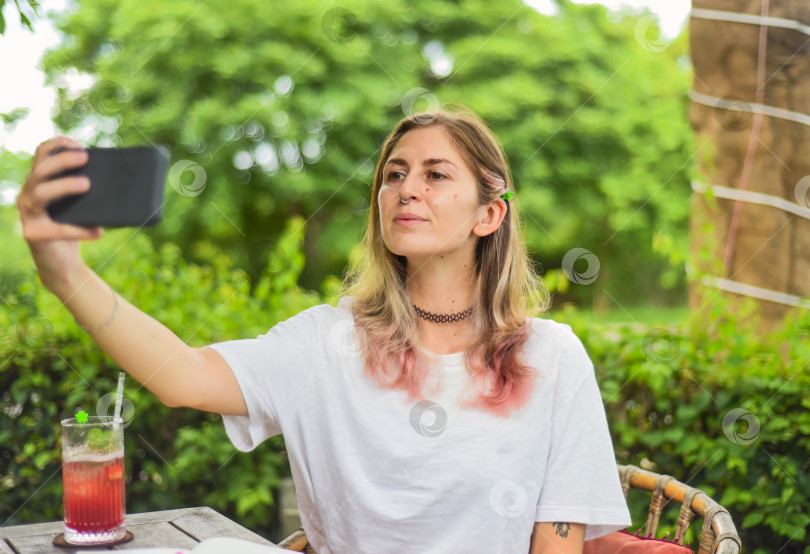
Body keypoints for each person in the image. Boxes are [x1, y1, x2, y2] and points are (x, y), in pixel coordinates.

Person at [17, 103, 631, 553]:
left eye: (435, 175)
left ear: (488, 214)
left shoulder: (552, 357)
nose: (405, 189)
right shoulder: (326, 342)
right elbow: (184, 377)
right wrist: (63, 271)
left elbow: (558, 543)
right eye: (393, 174)